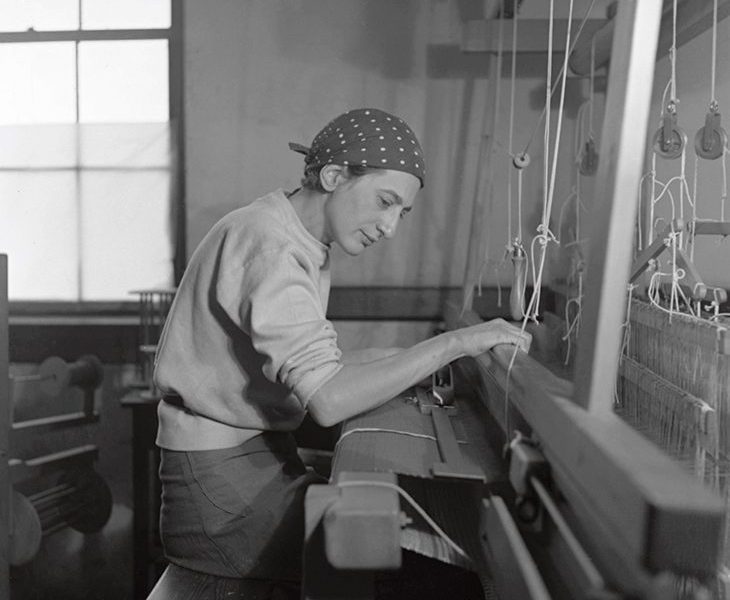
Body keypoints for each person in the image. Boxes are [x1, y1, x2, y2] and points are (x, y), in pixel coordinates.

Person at [148, 107, 530, 599]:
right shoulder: (272, 247)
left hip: (247, 464)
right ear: (333, 176)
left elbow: (323, 365)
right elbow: (327, 399)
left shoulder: (290, 235)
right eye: (385, 202)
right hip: (220, 495)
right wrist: (453, 343)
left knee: (411, 550)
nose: (390, 227)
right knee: (425, 572)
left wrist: (421, 357)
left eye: (401, 213)